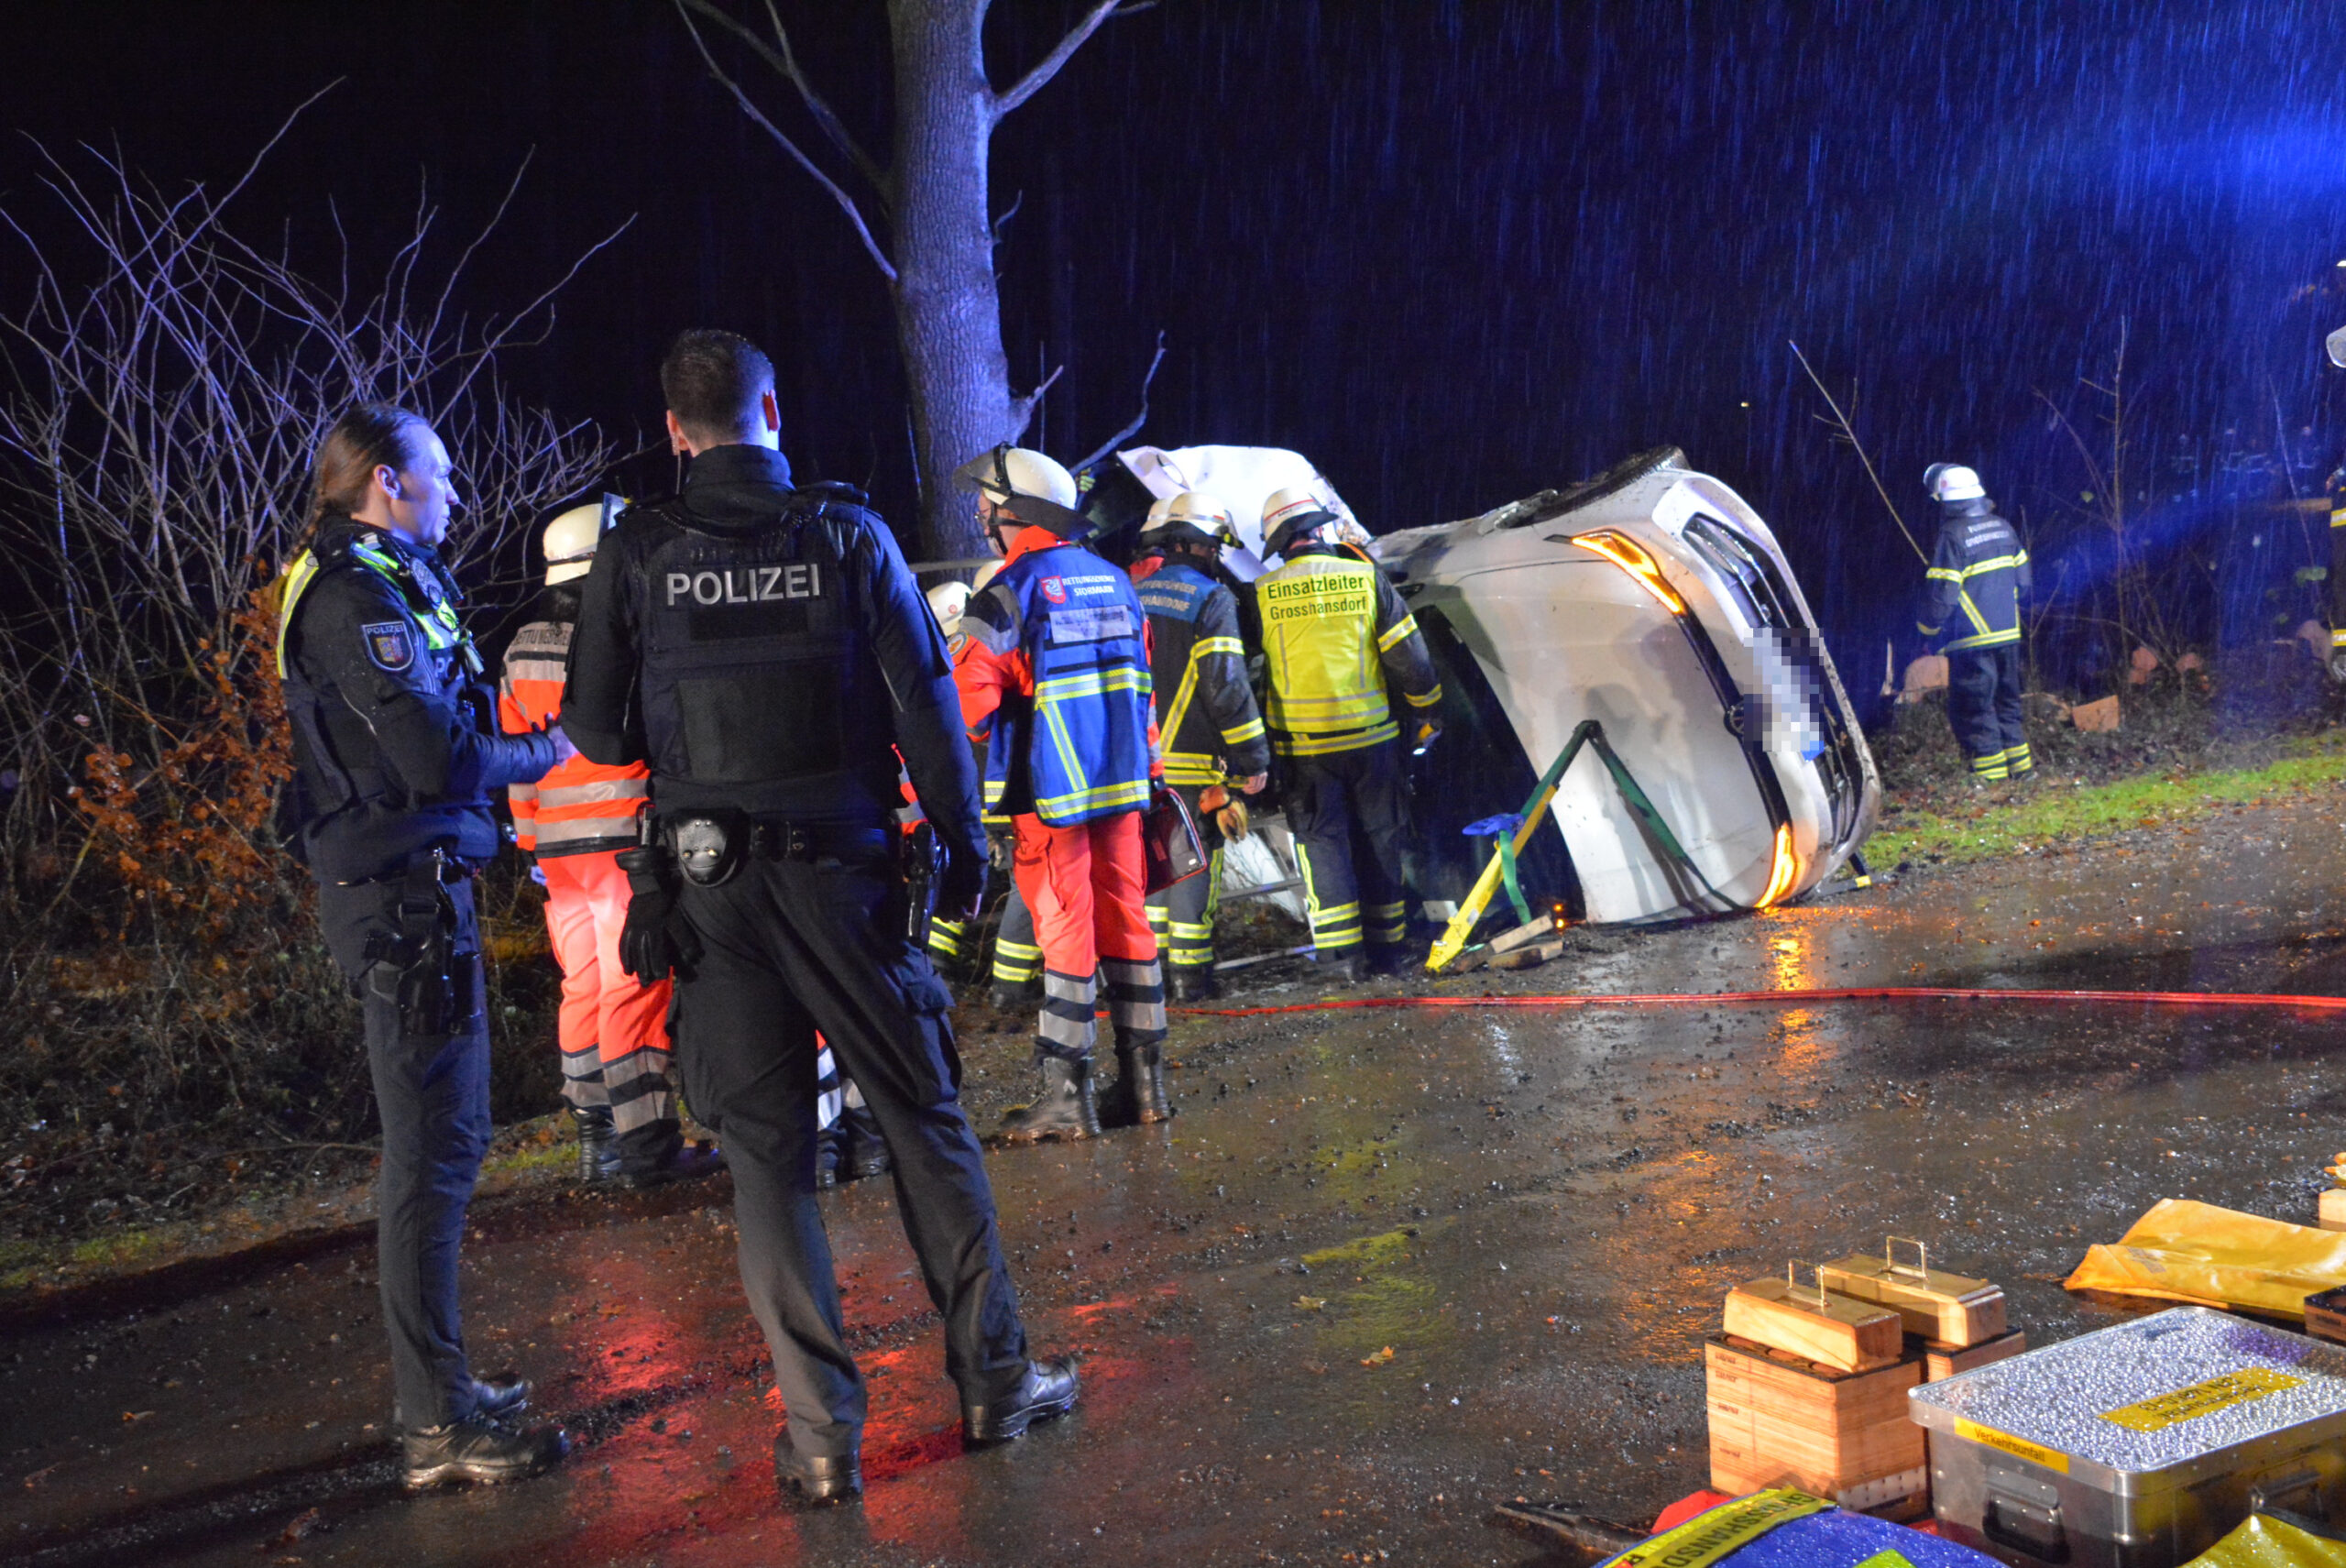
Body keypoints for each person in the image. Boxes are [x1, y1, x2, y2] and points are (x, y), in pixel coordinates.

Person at [562, 331, 1074, 1507]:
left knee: (769, 1162)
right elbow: (926, 700)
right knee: (921, 1121)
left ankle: (822, 1440)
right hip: (846, 881)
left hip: (715, 893)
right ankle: (995, 1383)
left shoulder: (636, 550)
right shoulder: (847, 532)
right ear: (773, 411)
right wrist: (959, 835)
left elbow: (598, 733)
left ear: (675, 431)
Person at [276, 402, 571, 1486]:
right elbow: (433, 754)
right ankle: (435, 1422)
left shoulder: (386, 581)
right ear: (387, 483)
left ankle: (442, 1391)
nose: (456, 491)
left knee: (453, 1139)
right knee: (430, 1156)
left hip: (418, 894)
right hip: (397, 899)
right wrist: (551, 747)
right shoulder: (358, 599)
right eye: (439, 474)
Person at [499, 499, 721, 1189]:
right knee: (634, 986)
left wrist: (534, 841)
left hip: (559, 853)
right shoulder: (620, 632)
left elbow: (515, 756)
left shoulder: (519, 648)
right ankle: (649, 1146)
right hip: (625, 842)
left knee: (584, 988)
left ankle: (596, 1139)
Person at [954, 445, 1168, 1137]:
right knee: (1128, 925)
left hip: (1051, 801)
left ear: (1010, 513)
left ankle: (1064, 1098)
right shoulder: (1114, 581)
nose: (982, 514)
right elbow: (1143, 692)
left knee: (1066, 937)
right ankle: (1146, 1089)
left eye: (988, 503)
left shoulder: (1011, 590)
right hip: (1122, 790)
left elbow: (964, 705)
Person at [1251, 486, 1442, 982]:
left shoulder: (1262, 594)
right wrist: (1428, 711)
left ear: (1281, 542)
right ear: (1319, 529)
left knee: (1323, 846)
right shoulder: (1364, 579)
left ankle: (1342, 962)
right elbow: (1410, 659)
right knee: (1382, 838)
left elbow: (1246, 675)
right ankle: (1389, 952)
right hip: (1372, 741)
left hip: (1304, 751)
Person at [1129, 491, 1269, 1003]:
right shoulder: (1211, 599)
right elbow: (1227, 687)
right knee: (1191, 861)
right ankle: (1191, 978)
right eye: (1214, 546)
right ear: (1198, 545)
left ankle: (1149, 975)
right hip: (1192, 761)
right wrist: (1252, 759)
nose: (1216, 556)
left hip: (1136, 762)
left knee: (1151, 861)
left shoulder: (1132, 594)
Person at [1918, 463, 2032, 782]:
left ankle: (1991, 780)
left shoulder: (1951, 536)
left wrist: (1927, 631)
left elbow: (1942, 596)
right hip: (2009, 636)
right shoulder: (2004, 528)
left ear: (1946, 501)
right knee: (2007, 703)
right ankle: (2022, 773)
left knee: (1974, 709)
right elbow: (2024, 583)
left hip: (1971, 643)